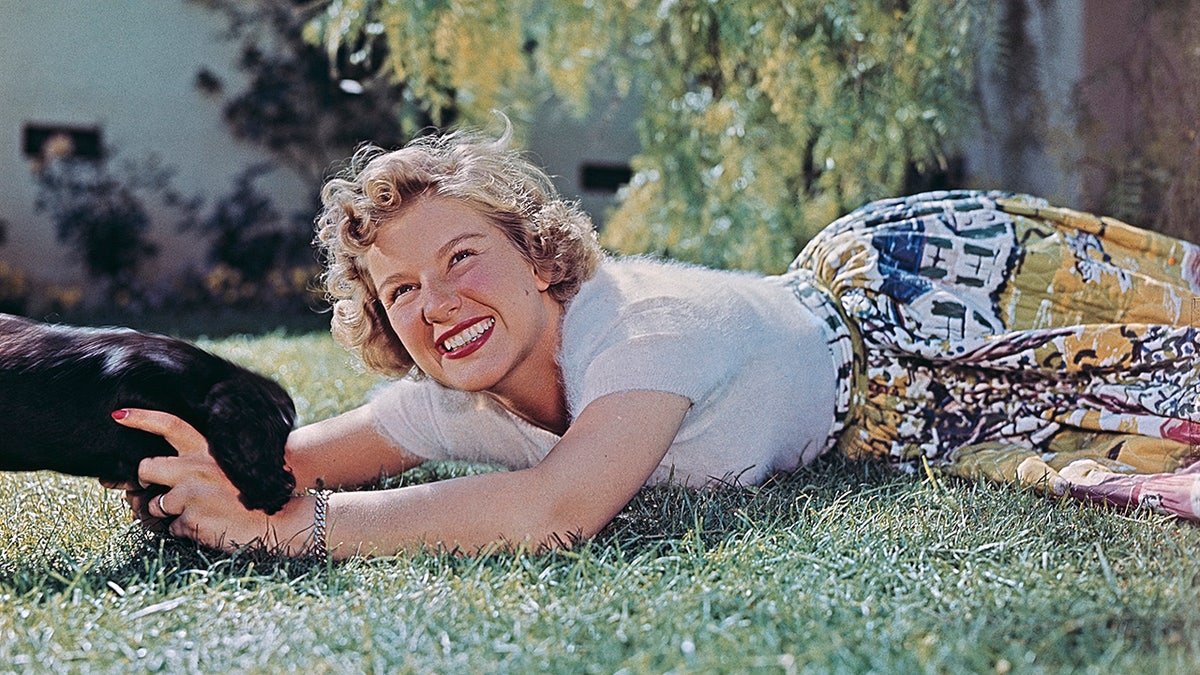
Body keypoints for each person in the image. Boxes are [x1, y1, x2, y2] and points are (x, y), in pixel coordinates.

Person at [110, 119, 1200, 559]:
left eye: (461, 258)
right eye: (400, 292)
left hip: (921, 311)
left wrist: (289, 534)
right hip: (894, 413)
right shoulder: (457, 398)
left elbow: (556, 511)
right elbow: (285, 464)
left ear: (539, 259)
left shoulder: (638, 330)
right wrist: (186, 466)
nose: (436, 303)